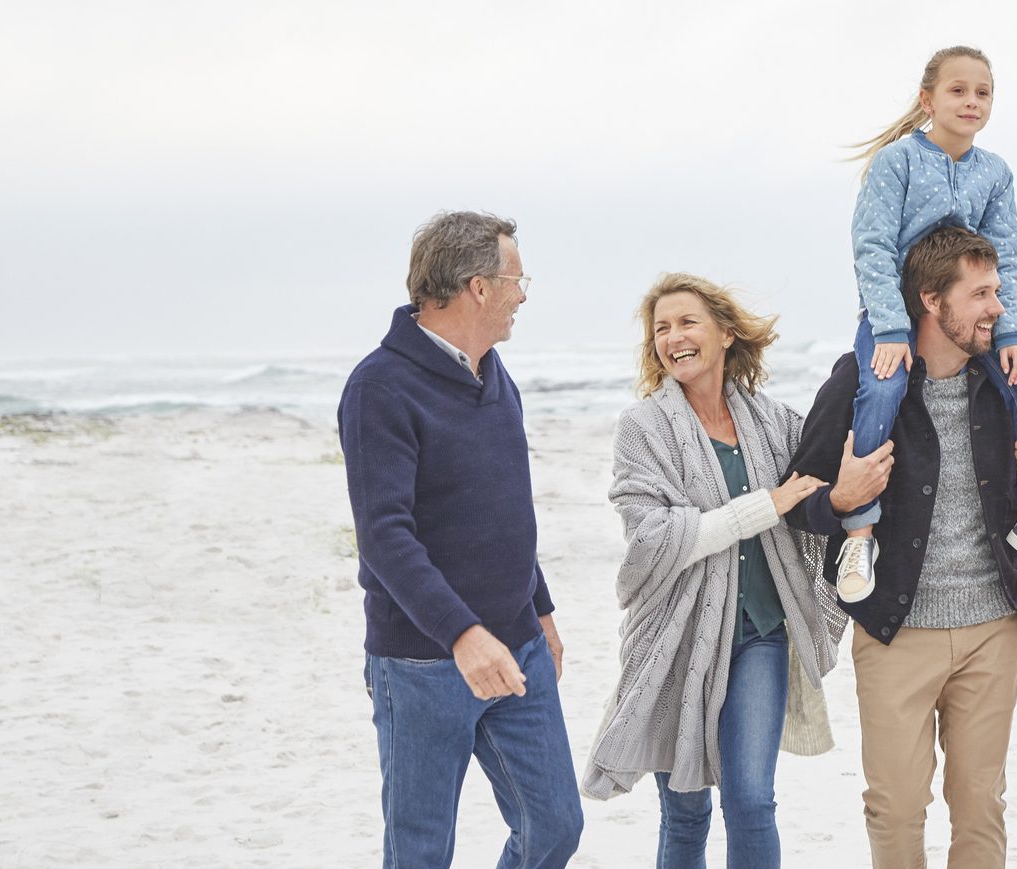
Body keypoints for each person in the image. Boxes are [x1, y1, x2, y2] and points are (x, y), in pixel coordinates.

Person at [785, 224, 1017, 868]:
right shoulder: (861, 382)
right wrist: (839, 499)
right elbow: (796, 500)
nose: (997, 308)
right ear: (930, 300)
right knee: (894, 806)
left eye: (996, 292)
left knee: (980, 803)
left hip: (993, 630)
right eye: (980, 295)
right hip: (896, 630)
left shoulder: (1005, 381)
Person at [338, 210, 582, 868]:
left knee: (554, 824)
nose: (523, 293)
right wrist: (462, 634)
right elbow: (384, 537)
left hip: (517, 646)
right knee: (420, 851)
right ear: (478, 286)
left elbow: (504, 505)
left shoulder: (491, 371)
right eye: (516, 277)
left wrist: (539, 603)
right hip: (421, 661)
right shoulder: (378, 386)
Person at [581, 274, 850, 869]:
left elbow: (818, 493)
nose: (673, 337)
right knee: (685, 812)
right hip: (675, 639)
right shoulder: (643, 429)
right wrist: (765, 505)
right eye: (661, 329)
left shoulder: (777, 422)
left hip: (761, 635)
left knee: (751, 801)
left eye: (686, 322)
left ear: (726, 334)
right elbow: (653, 539)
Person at [838, 44, 1017, 602]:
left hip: (968, 314)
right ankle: (860, 533)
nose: (972, 101)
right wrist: (892, 328)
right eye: (958, 90)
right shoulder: (897, 161)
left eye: (983, 92)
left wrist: (1012, 332)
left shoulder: (995, 172)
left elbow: (1004, 258)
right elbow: (870, 246)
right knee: (881, 388)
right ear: (929, 99)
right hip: (897, 313)